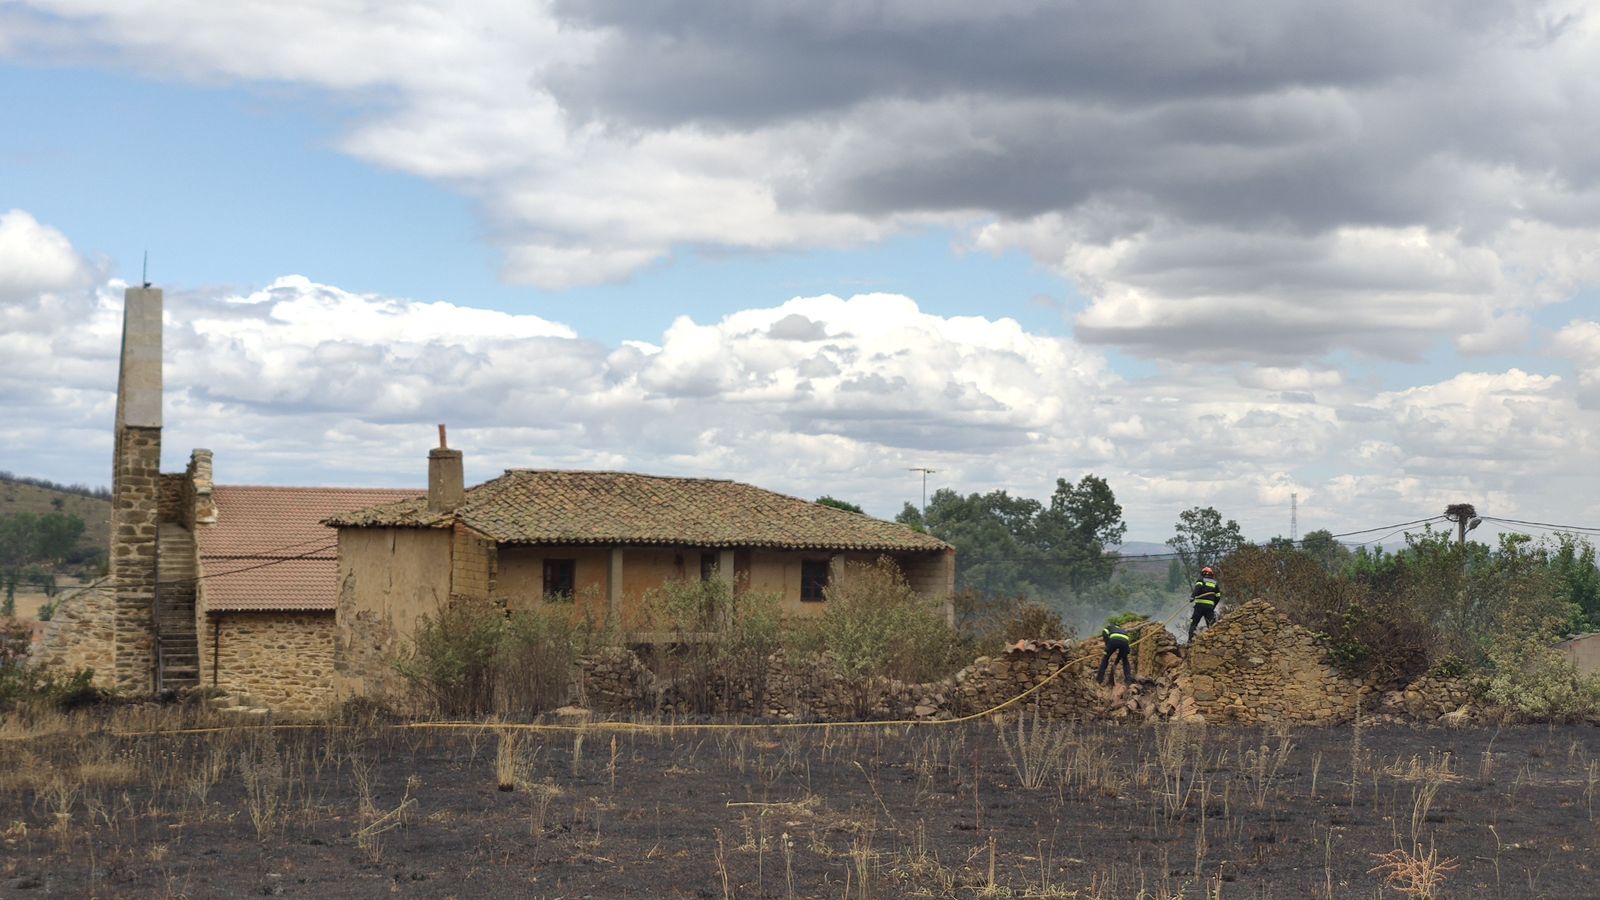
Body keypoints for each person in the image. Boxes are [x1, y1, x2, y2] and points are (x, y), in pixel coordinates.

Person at [1187, 565, 1222, 643]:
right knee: (1211, 624)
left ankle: (1190, 641)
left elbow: (1197, 590)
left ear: (1203, 573)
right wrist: (1213, 605)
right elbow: (1218, 596)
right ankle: (1213, 641)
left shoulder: (1201, 580)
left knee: (1194, 623)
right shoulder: (1215, 583)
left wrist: (1192, 597)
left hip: (1199, 607)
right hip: (1209, 608)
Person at [1096, 620, 1134, 686]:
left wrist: (1107, 646)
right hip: (1125, 641)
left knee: (1105, 658)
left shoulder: (1108, 628)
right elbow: (1120, 653)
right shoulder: (1121, 629)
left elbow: (1105, 634)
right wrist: (1116, 662)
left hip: (1113, 640)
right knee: (1125, 660)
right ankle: (1128, 680)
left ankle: (1099, 679)